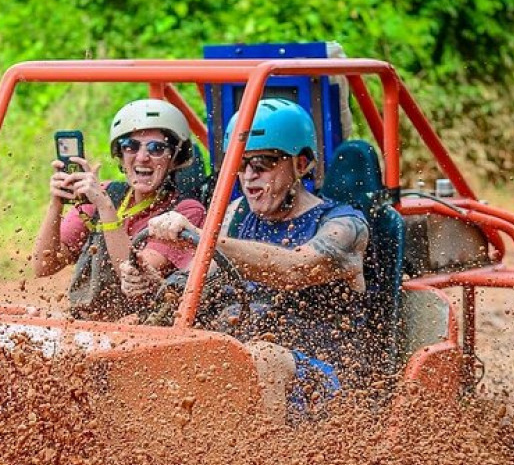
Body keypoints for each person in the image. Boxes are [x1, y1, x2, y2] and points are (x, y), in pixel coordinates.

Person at [131, 98, 370, 421]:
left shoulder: (344, 225)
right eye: (241, 165)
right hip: (239, 357)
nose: (249, 177)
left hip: (325, 375)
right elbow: (201, 278)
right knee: (136, 336)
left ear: (301, 164)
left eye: (263, 163)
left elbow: (295, 269)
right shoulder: (238, 213)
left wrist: (207, 240)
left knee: (263, 356)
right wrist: (157, 283)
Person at [32, 99, 206, 320]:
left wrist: (105, 208)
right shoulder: (104, 194)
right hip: (87, 328)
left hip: (146, 333)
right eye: (130, 146)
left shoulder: (186, 212)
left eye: (156, 148)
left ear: (174, 158)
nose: (142, 157)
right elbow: (44, 266)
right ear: (121, 156)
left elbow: (136, 275)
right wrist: (57, 202)